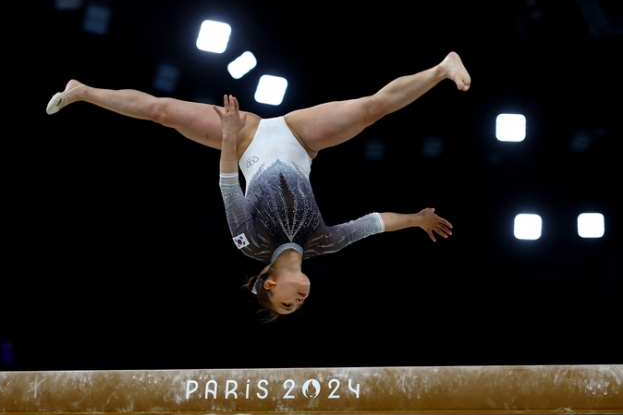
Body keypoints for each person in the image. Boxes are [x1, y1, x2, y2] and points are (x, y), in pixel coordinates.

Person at [46, 52, 470, 320]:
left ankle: (82, 91)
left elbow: (229, 185)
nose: (299, 300)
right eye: (297, 305)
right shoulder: (323, 243)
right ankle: (440, 68)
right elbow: (375, 222)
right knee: (371, 110)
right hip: (300, 141)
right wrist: (416, 219)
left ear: (269, 284)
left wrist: (230, 134)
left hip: (246, 143)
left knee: (161, 112)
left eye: (287, 302)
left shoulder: (250, 244)